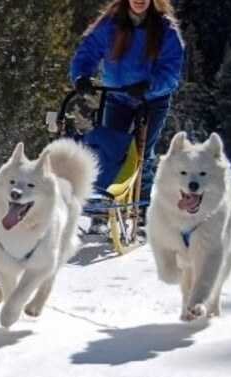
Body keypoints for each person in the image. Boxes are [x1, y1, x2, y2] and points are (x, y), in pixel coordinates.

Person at [70, 0, 184, 233]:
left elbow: (171, 70)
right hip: (118, 96)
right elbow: (88, 52)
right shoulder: (111, 25)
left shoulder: (165, 30)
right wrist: (81, 76)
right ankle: (102, 211)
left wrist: (150, 85)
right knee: (109, 150)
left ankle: (141, 210)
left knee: (143, 151)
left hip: (152, 99)